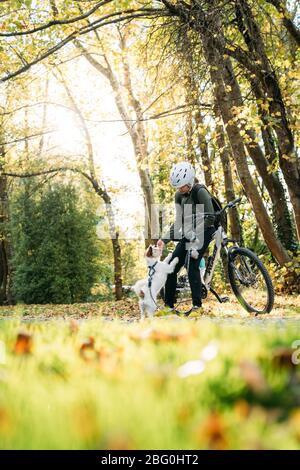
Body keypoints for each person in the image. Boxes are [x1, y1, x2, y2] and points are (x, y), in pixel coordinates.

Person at [157, 162, 216, 315]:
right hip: (189, 233)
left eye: (181, 186)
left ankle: (197, 307)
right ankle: (168, 307)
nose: (179, 189)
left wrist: (196, 234)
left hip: (206, 229)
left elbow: (210, 217)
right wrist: (164, 239)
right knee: (171, 266)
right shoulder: (179, 196)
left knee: (192, 264)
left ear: (189, 181)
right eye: (177, 187)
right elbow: (179, 222)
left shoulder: (200, 191)